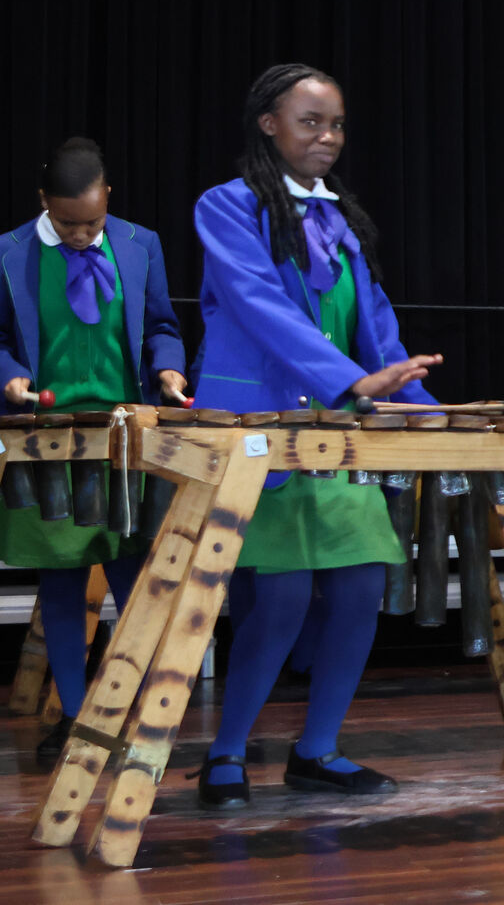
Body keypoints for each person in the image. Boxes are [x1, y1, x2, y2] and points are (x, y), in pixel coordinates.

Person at [191, 63, 443, 807]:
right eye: (310, 122)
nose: (327, 137)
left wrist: (423, 404)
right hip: (263, 435)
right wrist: (351, 381)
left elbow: (378, 333)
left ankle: (318, 748)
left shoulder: (342, 221)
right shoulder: (226, 207)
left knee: (363, 585)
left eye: (335, 124)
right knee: (280, 600)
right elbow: (260, 305)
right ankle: (228, 750)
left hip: (340, 439)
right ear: (269, 124)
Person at [0, 138, 188, 762]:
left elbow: (163, 327)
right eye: (67, 223)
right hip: (52, 442)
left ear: (108, 198)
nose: (80, 234)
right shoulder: (6, 253)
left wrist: (169, 372)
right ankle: (71, 715)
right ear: (44, 202)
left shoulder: (140, 243)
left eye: (91, 221)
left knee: (134, 576)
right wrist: (7, 377)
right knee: (63, 583)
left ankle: (139, 716)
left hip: (124, 438)